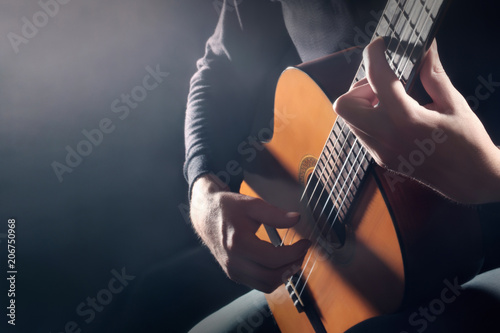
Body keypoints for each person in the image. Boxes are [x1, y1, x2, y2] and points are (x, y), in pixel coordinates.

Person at [184, 0, 500, 331]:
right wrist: (203, 193)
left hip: (478, 251)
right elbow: (223, 67)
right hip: (322, 261)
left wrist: (489, 174)